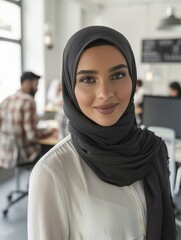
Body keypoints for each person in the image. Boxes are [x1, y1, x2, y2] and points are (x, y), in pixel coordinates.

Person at [28, 26, 176, 239]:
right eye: (88, 79)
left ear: (132, 78)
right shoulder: (52, 172)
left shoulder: (153, 150)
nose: (105, 93)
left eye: (118, 75)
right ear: (70, 87)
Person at [0, 71, 54, 167]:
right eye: (36, 85)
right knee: (52, 152)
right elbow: (31, 136)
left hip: (6, 153)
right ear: (27, 83)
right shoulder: (28, 101)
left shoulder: (6, 100)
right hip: (23, 154)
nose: (37, 89)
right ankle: (36, 180)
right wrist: (48, 132)